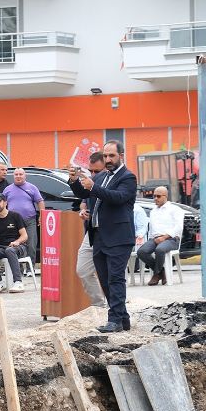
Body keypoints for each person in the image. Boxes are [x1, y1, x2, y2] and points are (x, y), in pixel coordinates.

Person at [69, 140, 138, 333]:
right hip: (98, 235)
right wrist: (74, 181)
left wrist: (93, 187)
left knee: (115, 279)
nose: (108, 160)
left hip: (118, 237)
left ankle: (114, 320)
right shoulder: (101, 177)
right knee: (106, 279)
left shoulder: (128, 177)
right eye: (105, 156)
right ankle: (122, 319)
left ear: (121, 156)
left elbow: (117, 198)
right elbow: (86, 194)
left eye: (112, 156)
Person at [75, 153, 108, 307]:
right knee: (82, 270)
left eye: (97, 171)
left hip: (109, 233)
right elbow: (83, 202)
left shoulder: (109, 182)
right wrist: (82, 212)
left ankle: (114, 305)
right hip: (91, 232)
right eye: (91, 171)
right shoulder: (89, 183)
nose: (93, 175)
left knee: (111, 274)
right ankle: (98, 304)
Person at [138, 186, 184, 286]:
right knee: (141, 251)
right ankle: (161, 272)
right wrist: (151, 240)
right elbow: (152, 229)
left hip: (171, 239)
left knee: (160, 249)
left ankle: (156, 274)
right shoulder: (153, 211)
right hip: (155, 239)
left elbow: (179, 227)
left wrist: (164, 237)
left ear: (165, 196)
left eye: (158, 196)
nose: (155, 199)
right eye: (154, 196)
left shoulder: (175, 209)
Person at [0, 193, 28, 293]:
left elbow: (25, 236)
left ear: (5, 203)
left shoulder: (15, 216)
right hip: (0, 248)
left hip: (18, 247)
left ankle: (18, 282)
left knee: (10, 250)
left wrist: (17, 242)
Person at [2, 168, 44, 261]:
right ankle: (19, 268)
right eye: (16, 174)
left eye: (20, 174)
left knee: (31, 245)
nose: (18, 176)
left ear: (25, 176)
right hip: (13, 222)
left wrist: (42, 215)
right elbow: (2, 203)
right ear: (13, 176)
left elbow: (40, 201)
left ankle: (30, 269)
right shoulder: (7, 189)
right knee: (15, 245)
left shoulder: (32, 187)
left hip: (29, 221)